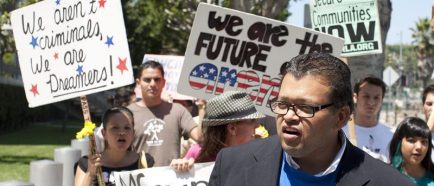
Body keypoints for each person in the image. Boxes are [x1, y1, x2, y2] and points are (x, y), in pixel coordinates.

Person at [208, 53, 414, 186]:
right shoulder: (231, 164)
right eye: (283, 104)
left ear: (340, 117)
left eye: (304, 107)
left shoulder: (389, 183)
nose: (288, 116)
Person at [127, 60, 202, 167]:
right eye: (147, 80)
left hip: (172, 179)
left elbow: (200, 137)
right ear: (138, 83)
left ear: (163, 82)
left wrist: (202, 106)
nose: (152, 84)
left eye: (157, 79)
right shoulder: (127, 114)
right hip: (140, 180)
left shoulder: (178, 110)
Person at [170, 90, 265, 171]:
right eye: (252, 120)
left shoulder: (258, 154)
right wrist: (180, 167)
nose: (257, 125)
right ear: (232, 128)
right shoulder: (196, 153)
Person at [74, 107, 144, 186]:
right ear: (104, 133)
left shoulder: (144, 162)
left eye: (127, 128)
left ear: (133, 133)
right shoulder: (87, 163)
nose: (122, 132)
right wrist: (90, 173)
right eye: (115, 128)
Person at [343, 76, 393, 163]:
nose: (371, 103)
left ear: (382, 100)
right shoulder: (341, 133)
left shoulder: (391, 135)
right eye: (366, 96)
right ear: (355, 97)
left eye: (376, 98)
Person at [389, 117, 434, 185]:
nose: (419, 147)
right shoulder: (387, 176)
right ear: (399, 142)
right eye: (411, 140)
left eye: (424, 142)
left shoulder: (432, 176)